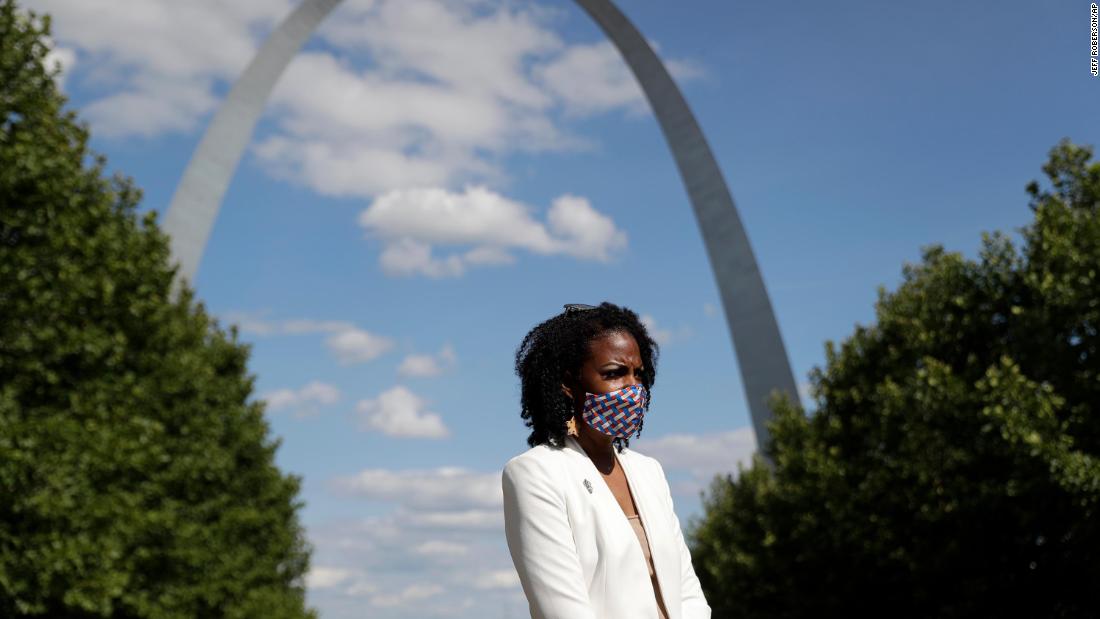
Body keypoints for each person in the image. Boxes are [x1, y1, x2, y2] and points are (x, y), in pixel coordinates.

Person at [502, 302, 712, 619]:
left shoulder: (649, 472)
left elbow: (688, 593)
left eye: (638, 374)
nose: (632, 388)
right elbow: (562, 610)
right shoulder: (535, 473)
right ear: (568, 383)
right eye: (614, 374)